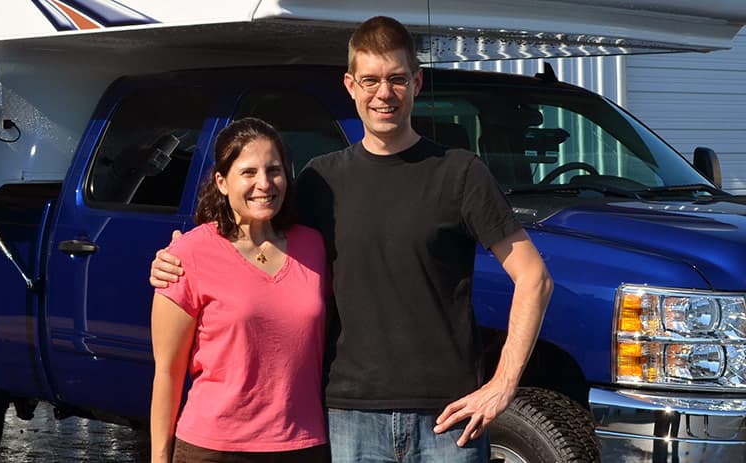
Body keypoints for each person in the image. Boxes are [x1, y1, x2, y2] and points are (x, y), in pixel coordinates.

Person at [151, 16, 553, 463]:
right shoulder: (321, 180)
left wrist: (502, 385)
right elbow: (251, 230)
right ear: (350, 84)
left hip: (448, 419)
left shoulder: (460, 174)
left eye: (398, 79)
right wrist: (176, 257)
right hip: (349, 417)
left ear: (417, 82)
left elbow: (533, 278)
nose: (385, 93)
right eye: (371, 80)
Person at [149, 117, 330, 463]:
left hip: (302, 446)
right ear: (222, 182)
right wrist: (160, 458)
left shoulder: (315, 246)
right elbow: (168, 372)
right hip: (213, 449)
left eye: (274, 170)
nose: (264, 183)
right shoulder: (189, 254)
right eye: (248, 172)